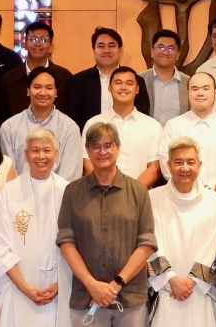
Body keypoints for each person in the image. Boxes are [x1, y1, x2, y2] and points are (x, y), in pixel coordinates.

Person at [57, 122, 157, 327]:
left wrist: (116, 285)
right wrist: (92, 285)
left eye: (108, 145)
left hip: (130, 299)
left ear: (118, 148)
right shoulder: (72, 192)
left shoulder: (138, 191)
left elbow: (146, 244)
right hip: (86, 297)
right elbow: (66, 243)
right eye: (96, 146)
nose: (102, 151)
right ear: (87, 150)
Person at [0, 128, 72, 327]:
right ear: (25, 154)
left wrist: (60, 284)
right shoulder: (9, 191)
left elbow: (77, 244)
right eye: (35, 150)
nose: (41, 156)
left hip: (59, 291)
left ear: (57, 155)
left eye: (47, 150)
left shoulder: (68, 191)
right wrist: (25, 287)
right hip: (18, 290)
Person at [148, 138, 216, 327]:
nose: (185, 167)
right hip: (167, 290)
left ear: (199, 165)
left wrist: (192, 281)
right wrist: (170, 279)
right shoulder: (153, 198)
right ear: (168, 165)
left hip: (200, 291)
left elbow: (215, 245)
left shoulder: (213, 200)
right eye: (178, 162)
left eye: (191, 162)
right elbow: (150, 242)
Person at [0, 67, 86, 181]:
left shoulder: (69, 127)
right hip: (19, 195)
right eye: (37, 87)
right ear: (28, 90)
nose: (43, 92)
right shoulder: (9, 127)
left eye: (49, 88)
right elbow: (8, 171)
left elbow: (71, 174)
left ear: (56, 92)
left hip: (59, 196)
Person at [81, 67, 162, 187]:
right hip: (100, 196)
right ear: (109, 87)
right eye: (118, 83)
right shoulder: (93, 123)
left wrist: (132, 194)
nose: (123, 87)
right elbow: (87, 163)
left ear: (137, 89)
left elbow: (154, 169)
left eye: (129, 83)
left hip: (139, 197)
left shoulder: (153, 126)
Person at [160, 72, 216, 189]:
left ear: (215, 93)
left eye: (206, 88)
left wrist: (212, 188)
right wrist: (188, 186)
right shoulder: (173, 125)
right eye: (195, 89)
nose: (200, 93)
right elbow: (166, 162)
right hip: (181, 194)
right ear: (188, 94)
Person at [66, 27, 151, 129]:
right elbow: (73, 119)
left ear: (120, 50)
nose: (106, 50)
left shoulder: (136, 80)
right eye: (101, 46)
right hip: (91, 141)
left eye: (111, 45)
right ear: (94, 50)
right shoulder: (78, 81)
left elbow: (142, 113)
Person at [0, 21, 73, 118]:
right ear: (24, 44)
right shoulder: (10, 78)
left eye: (43, 40)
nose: (37, 44)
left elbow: (71, 112)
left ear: (51, 47)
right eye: (33, 39)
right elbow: (2, 115)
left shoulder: (64, 77)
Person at [140, 29, 190, 126]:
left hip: (178, 139)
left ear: (178, 55)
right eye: (161, 47)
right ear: (152, 51)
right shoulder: (139, 80)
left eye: (171, 48)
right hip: (147, 138)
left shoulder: (189, 83)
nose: (165, 52)